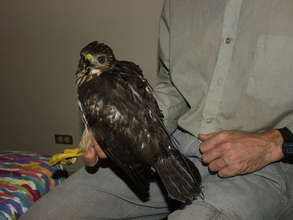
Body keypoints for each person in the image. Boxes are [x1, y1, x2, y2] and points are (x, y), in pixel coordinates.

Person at [20, 0, 293, 219]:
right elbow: (173, 83)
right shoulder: (179, 5)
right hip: (170, 145)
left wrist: (276, 144)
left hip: (270, 165)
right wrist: (125, 124)